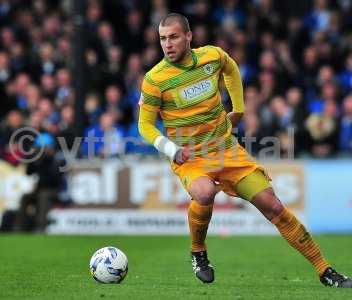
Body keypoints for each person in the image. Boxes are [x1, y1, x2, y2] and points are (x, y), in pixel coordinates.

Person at [138, 13, 352, 287]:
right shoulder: (154, 79)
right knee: (203, 192)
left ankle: (326, 271)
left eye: (174, 37)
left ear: (189, 36)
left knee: (273, 206)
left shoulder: (211, 56)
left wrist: (238, 108)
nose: (167, 44)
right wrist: (170, 148)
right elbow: (145, 125)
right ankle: (198, 251)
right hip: (190, 157)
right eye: (163, 39)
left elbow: (231, 68)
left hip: (227, 151)